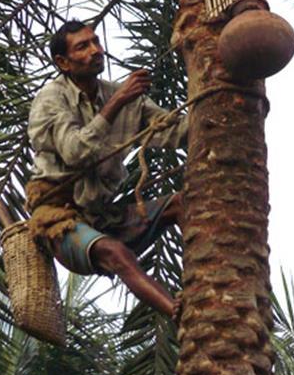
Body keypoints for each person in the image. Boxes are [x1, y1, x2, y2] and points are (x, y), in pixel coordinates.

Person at [26, 20, 187, 319]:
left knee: (183, 205)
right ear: (63, 62)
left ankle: (203, 281)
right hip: (60, 221)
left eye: (96, 42)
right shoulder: (51, 99)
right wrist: (118, 102)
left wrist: (223, 101)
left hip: (103, 216)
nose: (96, 50)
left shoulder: (122, 96)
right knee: (115, 253)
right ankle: (178, 313)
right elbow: (75, 153)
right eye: (83, 46)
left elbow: (174, 131)